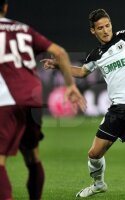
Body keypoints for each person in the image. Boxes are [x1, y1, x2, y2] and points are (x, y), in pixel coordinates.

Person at [41, 9, 125, 198]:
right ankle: (98, 184)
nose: (106, 31)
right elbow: (82, 72)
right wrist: (59, 65)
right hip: (117, 108)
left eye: (108, 26)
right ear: (93, 31)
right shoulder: (96, 54)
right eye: (100, 28)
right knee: (94, 154)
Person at [0, 0, 86, 199]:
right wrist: (70, 85)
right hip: (32, 99)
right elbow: (60, 52)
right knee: (32, 157)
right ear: (5, 7)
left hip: (5, 99)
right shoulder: (23, 29)